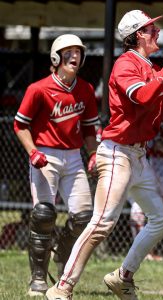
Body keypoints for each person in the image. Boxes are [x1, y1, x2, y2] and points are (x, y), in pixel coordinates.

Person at [45, 10, 163, 300]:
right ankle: (62, 287)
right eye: (151, 29)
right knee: (102, 223)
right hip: (117, 153)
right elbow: (143, 96)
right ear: (138, 35)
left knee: (162, 217)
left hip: (138, 156)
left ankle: (122, 276)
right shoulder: (126, 64)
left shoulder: (151, 67)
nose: (157, 33)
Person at [12, 34, 99, 296]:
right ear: (55, 57)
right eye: (68, 51)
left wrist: (93, 153)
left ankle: (61, 252)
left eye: (78, 52)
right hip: (45, 155)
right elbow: (20, 125)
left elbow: (88, 129)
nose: (75, 56)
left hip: (73, 156)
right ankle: (38, 278)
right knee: (43, 215)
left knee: (84, 217)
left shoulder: (85, 89)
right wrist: (33, 151)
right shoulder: (38, 89)